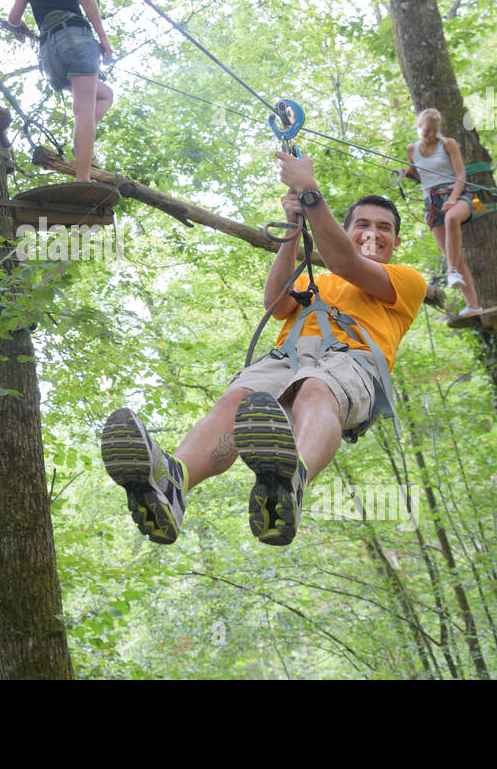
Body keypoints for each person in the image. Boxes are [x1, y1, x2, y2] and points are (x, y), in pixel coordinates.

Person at [100, 150, 426, 547]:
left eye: (383, 227)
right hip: (287, 357)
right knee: (237, 400)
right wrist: (293, 229)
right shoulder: (318, 278)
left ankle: (291, 481)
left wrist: (309, 189)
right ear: (345, 229)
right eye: (361, 224)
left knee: (317, 388)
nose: (372, 233)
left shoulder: (407, 280)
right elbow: (276, 303)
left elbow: (344, 260)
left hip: (351, 360)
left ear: (396, 241)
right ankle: (173, 483)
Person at [8, 0, 115, 182]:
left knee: (104, 96)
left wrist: (19, 27)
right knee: (83, 109)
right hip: (75, 38)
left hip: (49, 54)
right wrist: (104, 40)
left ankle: (82, 143)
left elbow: (12, 17)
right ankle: (82, 179)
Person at [403, 108, 481, 316]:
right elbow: (417, 174)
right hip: (432, 201)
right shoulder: (412, 150)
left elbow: (460, 174)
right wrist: (406, 173)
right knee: (452, 254)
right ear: (419, 127)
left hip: (457, 194)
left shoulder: (447, 144)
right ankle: (473, 305)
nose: (431, 134)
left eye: (434, 130)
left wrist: (454, 199)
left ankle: (451, 272)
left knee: (452, 218)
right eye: (427, 130)